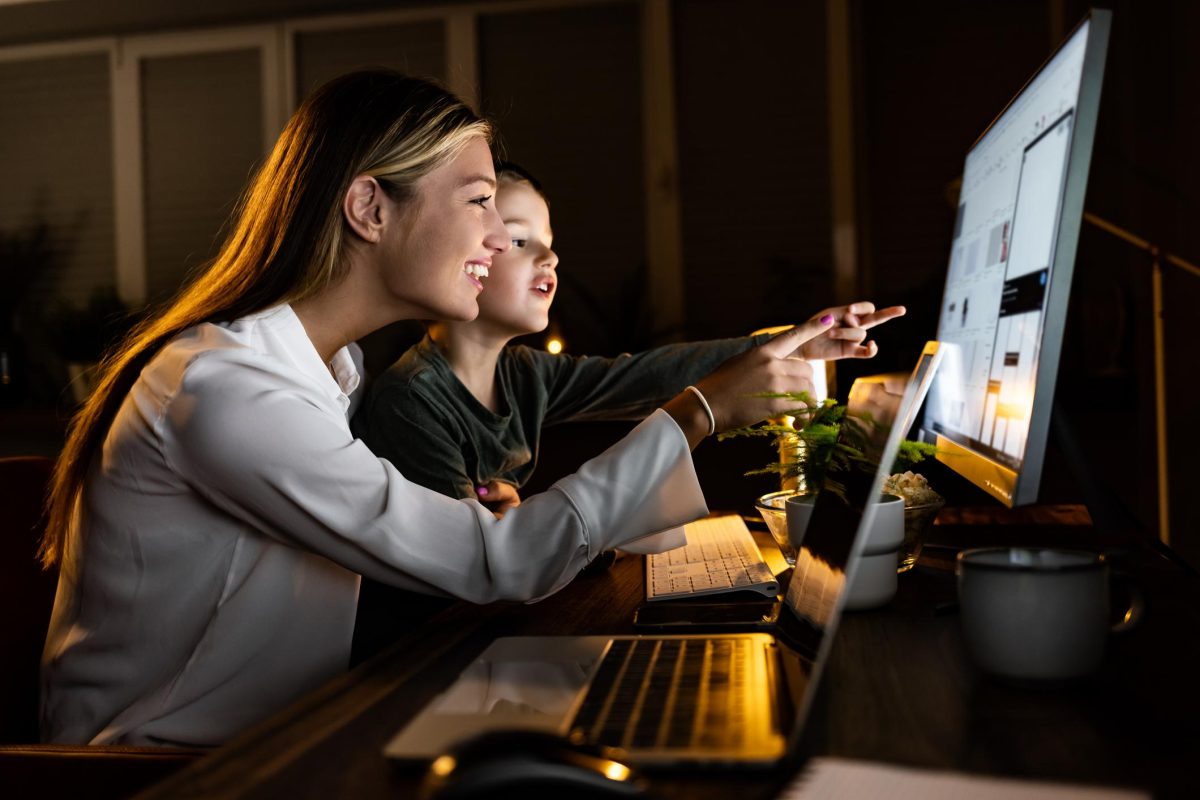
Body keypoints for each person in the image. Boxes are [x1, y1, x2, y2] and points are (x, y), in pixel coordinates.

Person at [39, 70, 838, 747]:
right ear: (370, 209)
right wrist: (699, 413)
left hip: (301, 728)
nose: (496, 237)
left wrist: (469, 520)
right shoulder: (227, 393)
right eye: (480, 201)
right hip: (170, 771)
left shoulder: (328, 373)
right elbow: (499, 565)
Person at [353, 162, 906, 514]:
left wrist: (790, 343)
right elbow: (468, 564)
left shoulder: (523, 372)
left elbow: (644, 377)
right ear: (474, 251)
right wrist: (507, 531)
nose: (550, 257)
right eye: (519, 241)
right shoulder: (411, 402)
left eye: (549, 241)